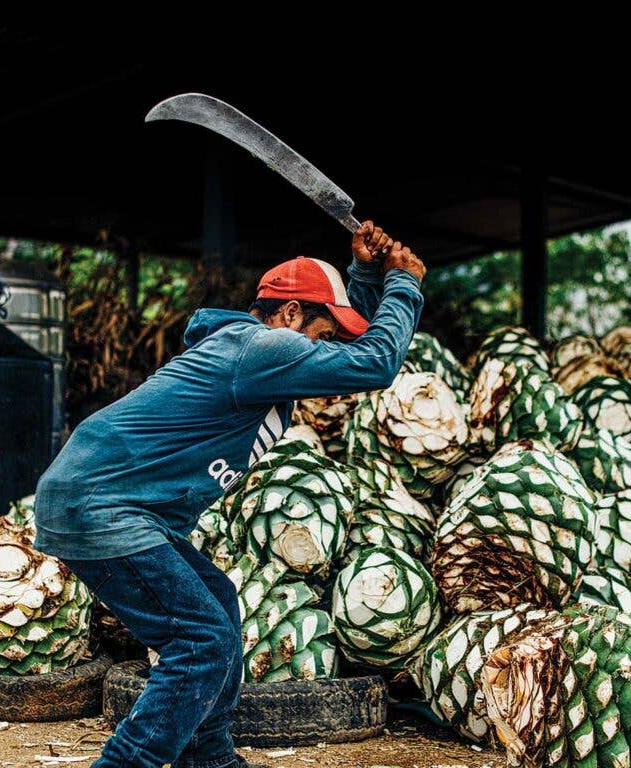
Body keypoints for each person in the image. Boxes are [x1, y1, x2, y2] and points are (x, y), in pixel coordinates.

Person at [33, 221, 426, 768]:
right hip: (102, 506)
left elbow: (353, 345)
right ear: (288, 314)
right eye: (324, 333)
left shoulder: (266, 351)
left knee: (218, 603)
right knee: (200, 642)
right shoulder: (258, 350)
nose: (327, 352)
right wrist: (404, 285)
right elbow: (375, 363)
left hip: (125, 508)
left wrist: (364, 273)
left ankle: (209, 755)